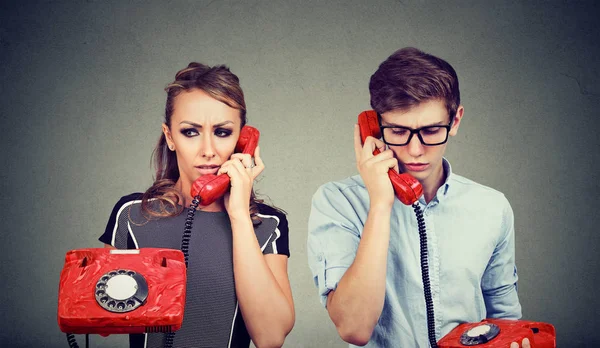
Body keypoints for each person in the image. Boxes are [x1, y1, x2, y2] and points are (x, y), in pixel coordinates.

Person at [307, 47, 526, 347]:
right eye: (397, 131)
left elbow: (505, 320)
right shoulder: (337, 202)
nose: (415, 150)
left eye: (432, 130)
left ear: (456, 120)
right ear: (373, 126)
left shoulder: (492, 207)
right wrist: (381, 205)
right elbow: (353, 328)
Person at [99, 63, 294, 348]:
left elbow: (271, 337)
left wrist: (239, 214)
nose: (208, 151)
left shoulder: (268, 224)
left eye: (223, 132)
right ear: (170, 137)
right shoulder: (132, 215)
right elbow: (103, 319)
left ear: (243, 141)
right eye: (190, 132)